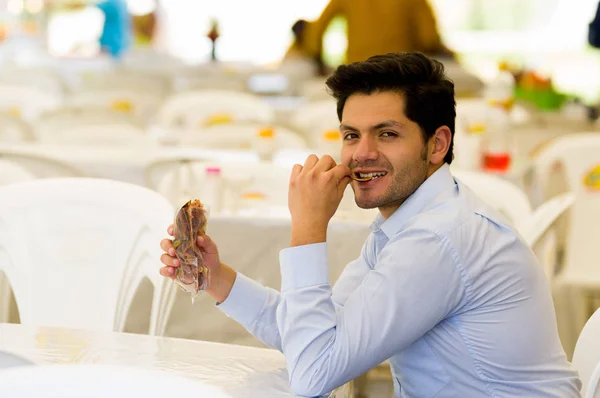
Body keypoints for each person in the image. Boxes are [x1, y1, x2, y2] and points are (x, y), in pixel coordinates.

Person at [159, 52, 582, 397]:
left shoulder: (438, 237)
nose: (362, 153)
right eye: (350, 135)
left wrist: (309, 225)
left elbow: (314, 375)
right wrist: (216, 279)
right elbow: (319, 335)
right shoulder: (411, 222)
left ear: (437, 145)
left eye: (386, 134)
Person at [295, 0, 453, 66]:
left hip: (358, 70)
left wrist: (315, 56)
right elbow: (429, 38)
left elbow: (317, 31)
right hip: (401, 71)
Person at [54, 0, 132, 59]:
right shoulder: (121, 3)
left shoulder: (114, 3)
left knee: (113, 57)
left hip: (114, 40)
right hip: (119, 38)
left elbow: (98, 5)